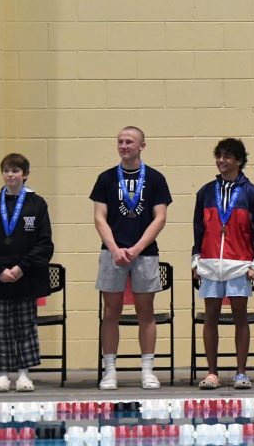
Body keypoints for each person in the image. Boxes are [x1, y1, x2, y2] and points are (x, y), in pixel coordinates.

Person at [90, 126, 172, 390]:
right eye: (120, 141)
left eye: (129, 141)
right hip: (112, 253)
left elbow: (160, 218)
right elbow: (99, 218)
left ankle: (147, 370)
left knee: (145, 313)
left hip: (145, 254)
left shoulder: (156, 179)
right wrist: (114, 248)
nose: (124, 145)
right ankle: (110, 370)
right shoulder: (105, 179)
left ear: (142, 146)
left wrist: (136, 249)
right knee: (111, 312)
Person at [192, 138, 254, 390]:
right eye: (219, 156)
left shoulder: (253, 193)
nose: (221, 160)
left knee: (240, 317)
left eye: (227, 156)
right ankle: (212, 373)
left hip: (240, 264)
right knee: (210, 317)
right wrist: (196, 259)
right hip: (211, 262)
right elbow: (197, 229)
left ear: (238, 160)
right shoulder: (205, 192)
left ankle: (241, 373)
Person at [0, 153, 54, 392]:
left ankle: (23, 374)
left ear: (25, 174)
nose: (11, 175)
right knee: (1, 327)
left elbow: (44, 243)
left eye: (16, 171)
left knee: (25, 326)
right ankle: (1, 374)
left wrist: (21, 268)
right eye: (7, 170)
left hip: (26, 276)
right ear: (3, 174)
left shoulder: (37, 205)